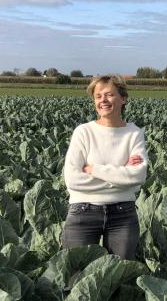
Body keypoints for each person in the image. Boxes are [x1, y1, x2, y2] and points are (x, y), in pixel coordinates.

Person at [61, 74, 149, 259]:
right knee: (76, 276)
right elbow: (73, 180)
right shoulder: (83, 132)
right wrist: (121, 176)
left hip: (123, 214)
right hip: (83, 212)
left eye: (109, 95)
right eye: (98, 96)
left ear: (123, 98)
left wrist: (93, 169)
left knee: (121, 277)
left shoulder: (134, 133)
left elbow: (137, 177)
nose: (103, 100)